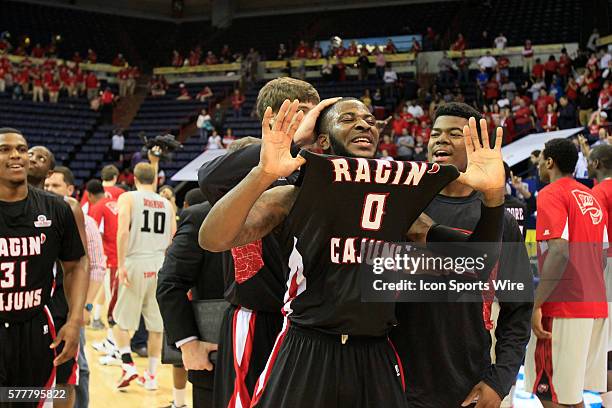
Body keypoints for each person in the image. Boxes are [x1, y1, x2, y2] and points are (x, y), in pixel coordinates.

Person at [199, 98, 507, 407]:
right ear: (323, 140)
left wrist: (493, 197)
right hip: (308, 346)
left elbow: (475, 266)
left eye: (370, 120)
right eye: (348, 119)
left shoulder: (397, 203)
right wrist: (263, 173)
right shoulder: (293, 195)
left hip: (374, 352)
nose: (364, 124)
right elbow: (212, 238)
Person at [391, 102, 533, 408]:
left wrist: (500, 380)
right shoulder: (398, 205)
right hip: (396, 376)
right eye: (435, 133)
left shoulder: (500, 219)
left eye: (455, 134)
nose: (440, 140)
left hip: (467, 381)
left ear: (475, 146)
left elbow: (518, 309)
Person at [197, 77, 321, 408]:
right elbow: (208, 178)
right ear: (278, 115)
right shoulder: (249, 167)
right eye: (307, 113)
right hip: (257, 314)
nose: (316, 122)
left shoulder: (315, 167)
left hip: (306, 320)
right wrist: (289, 139)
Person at [0, 129, 87, 405]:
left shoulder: (57, 209)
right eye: (5, 149)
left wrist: (75, 321)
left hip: (36, 327)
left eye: (21, 149)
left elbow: (76, 264)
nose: (16, 154)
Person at [524, 138, 608, 407]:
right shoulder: (589, 196)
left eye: (540, 159)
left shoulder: (551, 193)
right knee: (569, 395)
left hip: (564, 306)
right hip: (594, 303)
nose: (536, 164)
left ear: (549, 162)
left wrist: (537, 304)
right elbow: (604, 255)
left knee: (549, 392)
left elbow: (559, 251)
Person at [28, 147, 90, 408]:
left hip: (57, 304)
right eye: (29, 153)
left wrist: (78, 313)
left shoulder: (65, 207)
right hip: (21, 303)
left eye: (41, 157)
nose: (32, 158)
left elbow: (80, 261)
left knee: (67, 376)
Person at [44, 167, 107, 408]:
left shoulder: (85, 221)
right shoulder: (40, 214)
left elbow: (96, 266)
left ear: (70, 189)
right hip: (49, 307)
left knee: (77, 368)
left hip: (72, 307)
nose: (50, 190)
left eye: (56, 186)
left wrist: (85, 306)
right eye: (47, 186)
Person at [113, 156, 177, 390]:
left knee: (120, 321)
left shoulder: (127, 197)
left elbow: (122, 231)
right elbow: (173, 238)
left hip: (135, 261)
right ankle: (151, 376)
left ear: (134, 178)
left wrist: (121, 264)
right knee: (156, 326)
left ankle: (127, 363)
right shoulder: (166, 203)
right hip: (160, 263)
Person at [157, 192, 225, 408]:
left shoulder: (292, 207)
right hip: (215, 347)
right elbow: (170, 283)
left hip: (284, 350)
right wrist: (187, 342)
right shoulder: (201, 216)